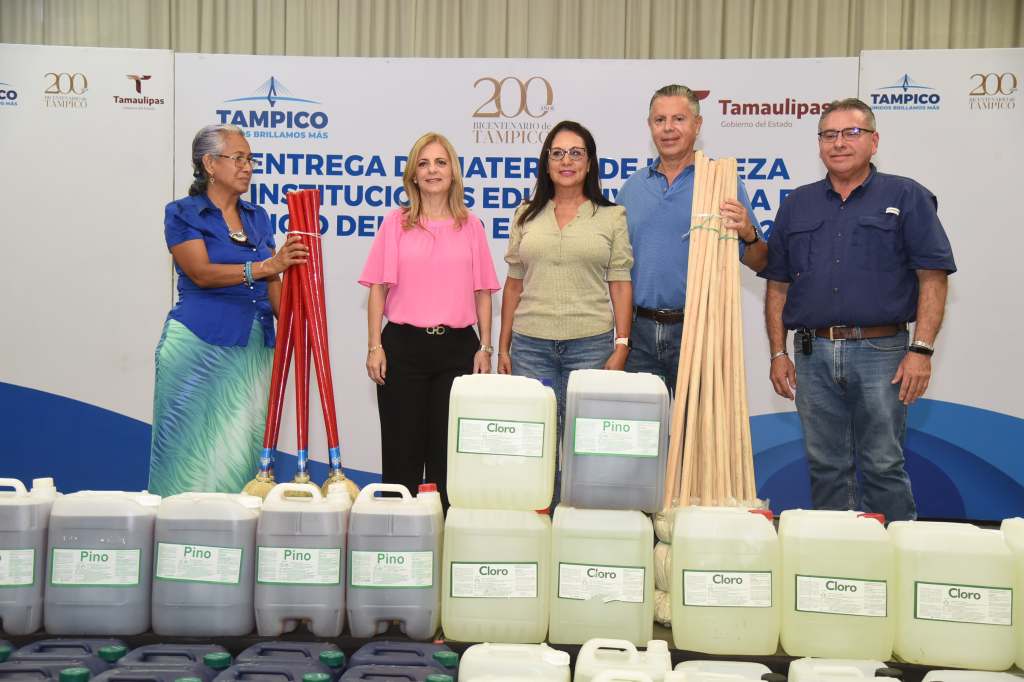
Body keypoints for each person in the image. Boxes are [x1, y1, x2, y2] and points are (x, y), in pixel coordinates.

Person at [761, 97, 956, 522]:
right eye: (829, 134)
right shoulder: (797, 204)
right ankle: (838, 565)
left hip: (883, 352)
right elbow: (778, 284)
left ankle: (895, 560)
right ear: (819, 144)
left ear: (873, 140)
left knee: (884, 464)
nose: (839, 143)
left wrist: (920, 350)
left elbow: (933, 277)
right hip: (812, 355)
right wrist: (778, 352)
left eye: (851, 133)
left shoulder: (907, 196)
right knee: (826, 466)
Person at [149, 124, 308, 496]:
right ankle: (180, 540)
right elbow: (201, 273)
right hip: (197, 345)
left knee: (242, 452)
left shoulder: (258, 216)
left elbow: (275, 284)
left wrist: (295, 332)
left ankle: (230, 542)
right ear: (209, 163)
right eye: (238, 158)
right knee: (184, 454)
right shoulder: (183, 213)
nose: (247, 167)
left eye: (250, 159)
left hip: (253, 349)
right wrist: (267, 266)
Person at [359, 132, 499, 509]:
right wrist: (375, 345)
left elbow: (483, 292)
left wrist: (486, 346)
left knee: (448, 462)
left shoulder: (471, 226)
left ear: (453, 171)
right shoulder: (396, 223)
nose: (432, 170)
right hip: (403, 348)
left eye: (440, 162)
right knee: (401, 457)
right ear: (413, 175)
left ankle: (443, 549)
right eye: (423, 163)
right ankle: (399, 550)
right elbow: (377, 290)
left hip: (457, 351)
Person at [497, 120, 634, 459]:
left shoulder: (611, 216)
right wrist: (503, 347)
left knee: (584, 446)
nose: (566, 161)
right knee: (534, 445)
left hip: (591, 346)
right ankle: (540, 511)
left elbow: (620, 282)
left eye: (576, 153)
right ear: (546, 162)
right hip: (530, 347)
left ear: (589, 163)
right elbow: (514, 284)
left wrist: (622, 345)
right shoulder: (525, 214)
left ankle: (573, 512)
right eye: (557, 154)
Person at [618, 84, 767, 388]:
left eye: (679, 119)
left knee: (696, 434)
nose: (668, 128)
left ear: (697, 125)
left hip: (699, 330)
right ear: (650, 127)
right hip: (638, 334)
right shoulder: (632, 189)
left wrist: (748, 233)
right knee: (644, 433)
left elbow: (761, 262)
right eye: (660, 120)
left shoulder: (720, 183)